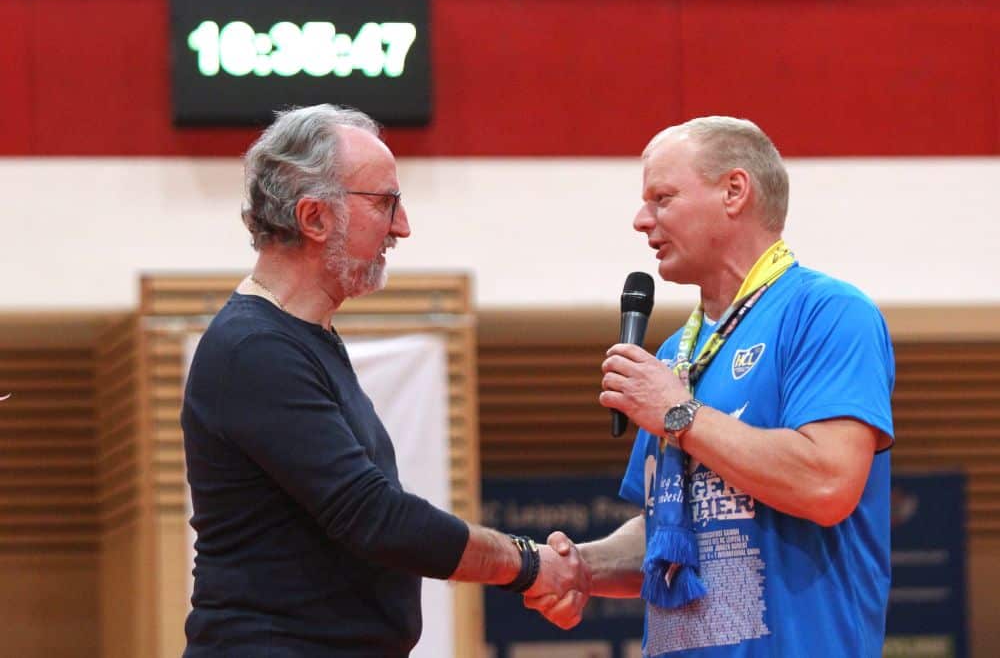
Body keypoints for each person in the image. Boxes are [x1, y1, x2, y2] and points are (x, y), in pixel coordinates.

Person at [181, 104, 590, 657]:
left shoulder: (299, 339)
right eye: (385, 203)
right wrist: (528, 563)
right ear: (314, 218)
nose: (402, 226)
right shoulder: (256, 349)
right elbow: (374, 517)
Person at [525, 117, 895, 657]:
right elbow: (672, 526)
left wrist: (680, 414)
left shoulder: (829, 312)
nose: (640, 219)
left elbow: (827, 483)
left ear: (734, 191)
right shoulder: (674, 352)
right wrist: (583, 566)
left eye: (662, 197)